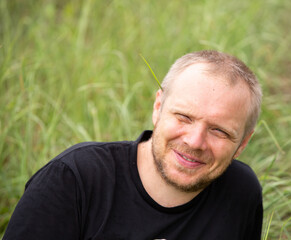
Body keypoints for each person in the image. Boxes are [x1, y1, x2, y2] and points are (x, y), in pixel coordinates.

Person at [3, 50, 263, 240]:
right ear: (158, 107)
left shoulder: (241, 193)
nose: (195, 141)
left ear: (242, 143)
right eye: (184, 117)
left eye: (219, 131)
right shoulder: (72, 180)